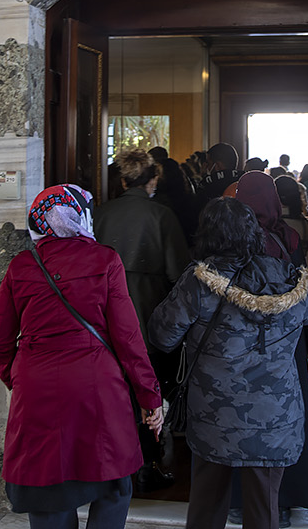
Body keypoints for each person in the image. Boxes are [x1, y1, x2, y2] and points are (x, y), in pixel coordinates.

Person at [0, 184, 165, 529]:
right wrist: (149, 396)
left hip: (36, 386)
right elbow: (128, 339)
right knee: (112, 483)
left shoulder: (21, 266)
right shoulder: (105, 260)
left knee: (46, 486)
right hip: (97, 386)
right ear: (79, 216)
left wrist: (18, 377)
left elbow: (0, 339)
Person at [149, 198, 308, 529]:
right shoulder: (287, 277)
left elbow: (162, 336)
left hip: (216, 415)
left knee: (206, 507)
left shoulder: (198, 281)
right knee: (264, 510)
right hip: (275, 416)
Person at [230, 172, 308, 525]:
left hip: (240, 341)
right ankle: (286, 498)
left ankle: (240, 499)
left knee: (239, 415)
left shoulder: (232, 237)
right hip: (285, 341)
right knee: (289, 414)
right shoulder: (289, 235)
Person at [94, 150, 192, 490]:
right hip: (149, 317)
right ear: (153, 180)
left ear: (122, 182)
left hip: (102, 319)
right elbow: (178, 273)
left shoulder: (100, 214)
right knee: (148, 390)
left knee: (111, 392)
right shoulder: (162, 216)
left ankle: (111, 464)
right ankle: (147, 462)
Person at [194, 143, 243, 214]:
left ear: (217, 165)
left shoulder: (208, 185)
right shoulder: (245, 180)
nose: (205, 167)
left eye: (208, 163)